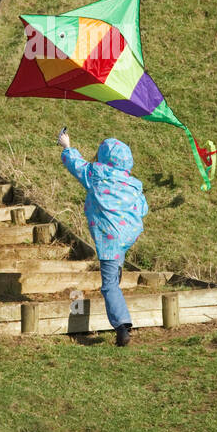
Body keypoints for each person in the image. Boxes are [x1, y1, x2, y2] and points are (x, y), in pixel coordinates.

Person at [57, 129, 148, 346]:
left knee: (108, 286)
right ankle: (117, 277)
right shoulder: (133, 184)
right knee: (115, 268)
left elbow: (76, 165)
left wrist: (66, 146)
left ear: (104, 158)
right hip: (129, 233)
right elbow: (142, 208)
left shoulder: (97, 174)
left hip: (110, 236)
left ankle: (122, 327)